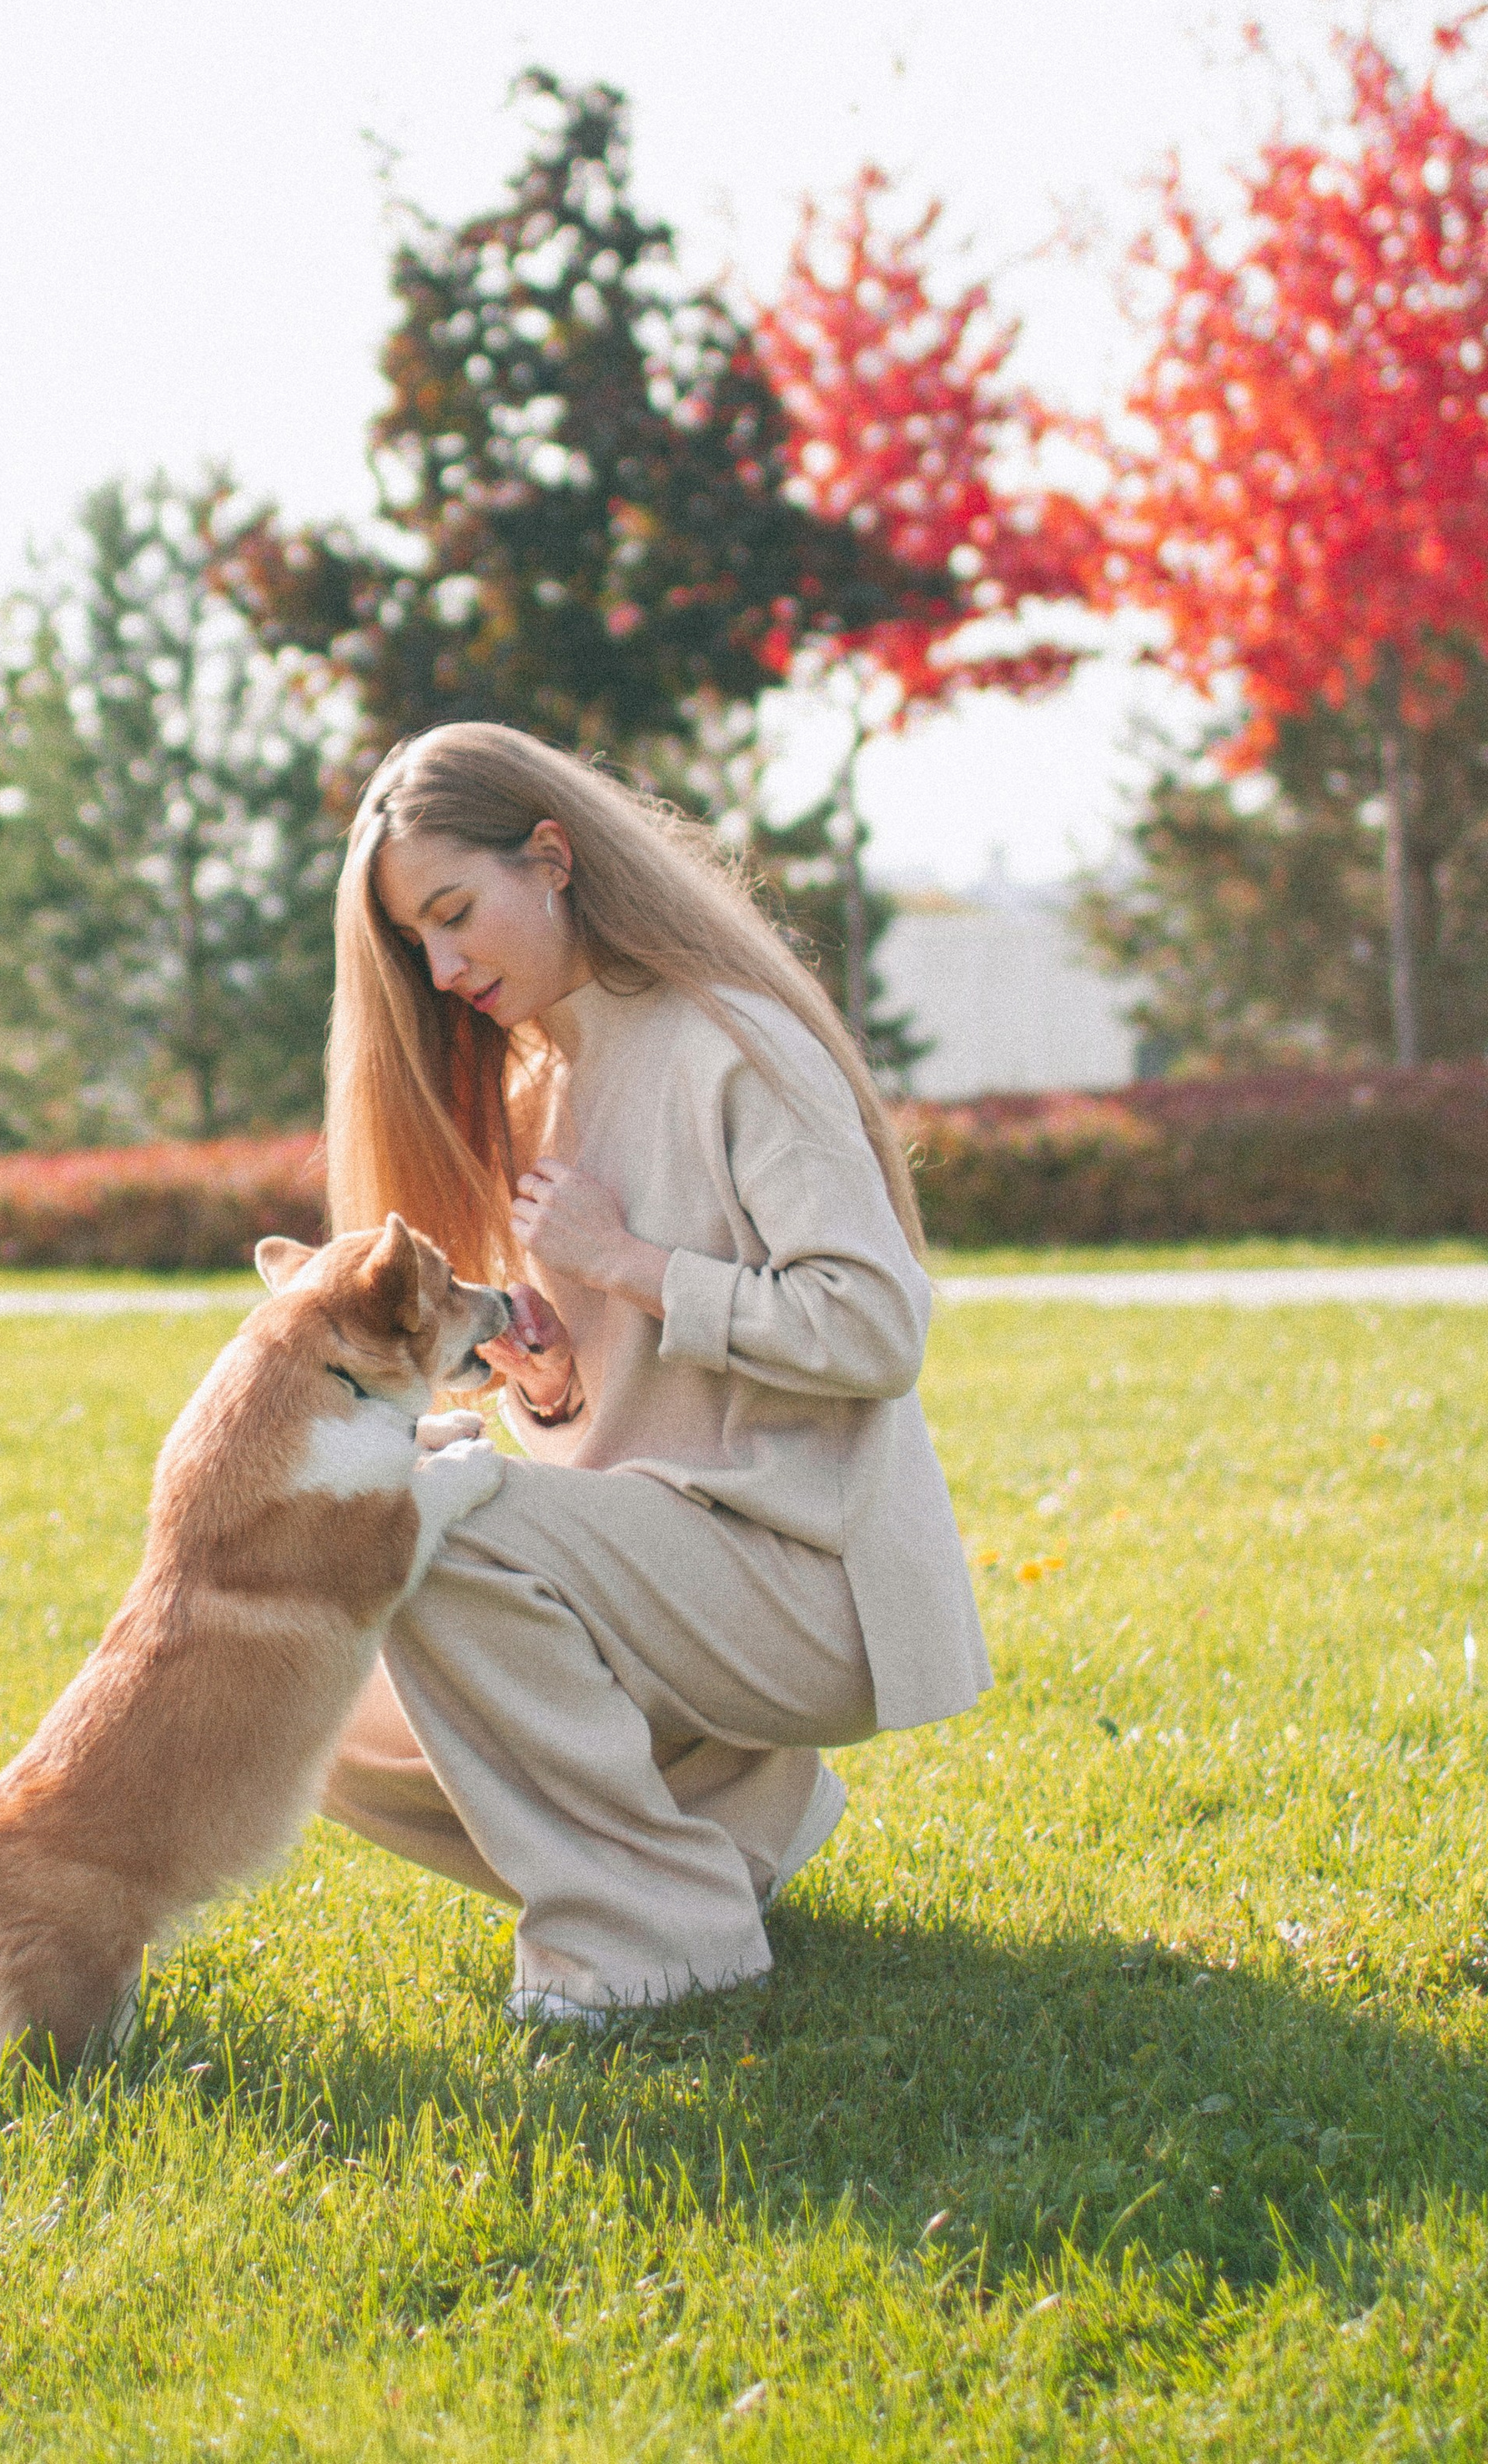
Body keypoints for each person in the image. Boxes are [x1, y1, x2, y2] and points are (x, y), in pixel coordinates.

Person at [318, 720, 989, 2023]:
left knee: (427, 1521)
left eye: (455, 916)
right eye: (416, 942)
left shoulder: (732, 1042)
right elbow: (621, 1432)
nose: (443, 969)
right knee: (321, 1711)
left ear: (551, 857)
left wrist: (632, 1265)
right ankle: (724, 1835)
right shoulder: (538, 1087)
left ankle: (649, 1940)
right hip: (687, 1567)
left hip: (815, 1579)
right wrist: (551, 1383)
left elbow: (876, 1329)